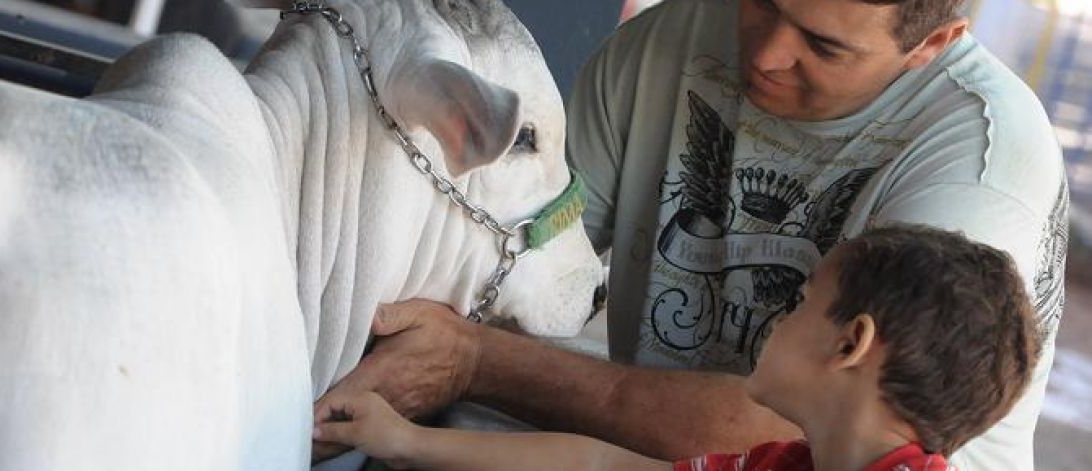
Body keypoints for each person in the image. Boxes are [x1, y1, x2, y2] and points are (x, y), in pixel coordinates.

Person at [316, 0, 1069, 469]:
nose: (766, 53)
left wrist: (472, 360)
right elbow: (509, 275)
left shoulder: (981, 161)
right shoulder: (664, 48)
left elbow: (791, 437)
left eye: (824, 45)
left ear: (934, 43)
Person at [314, 225, 1041, 471]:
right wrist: (406, 439)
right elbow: (600, 461)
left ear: (851, 343)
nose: (776, 321)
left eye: (799, 304)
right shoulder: (783, 463)